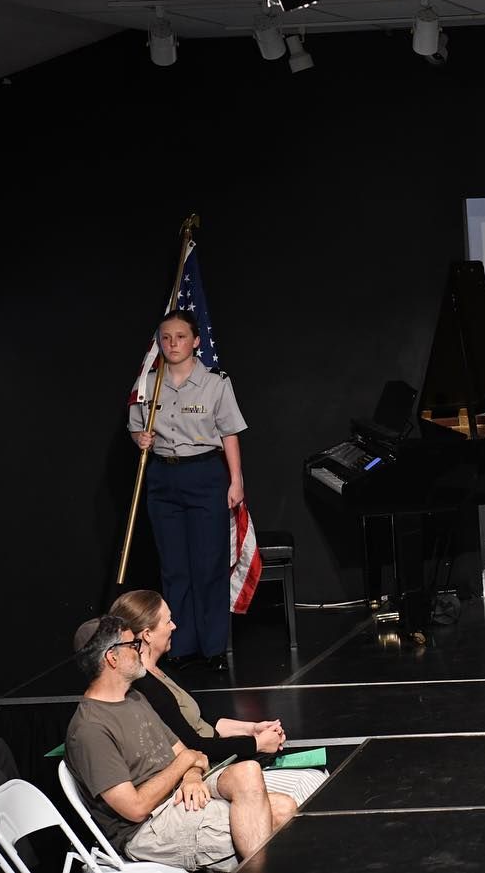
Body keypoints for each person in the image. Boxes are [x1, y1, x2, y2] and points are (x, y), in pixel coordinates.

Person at [65, 616, 293, 871]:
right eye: (133, 645)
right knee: (275, 820)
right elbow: (136, 808)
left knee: (260, 783)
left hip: (178, 794)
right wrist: (184, 765)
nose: (140, 650)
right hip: (147, 827)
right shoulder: (90, 730)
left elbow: (191, 754)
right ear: (112, 658)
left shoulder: (134, 698)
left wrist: (192, 777)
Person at [110, 589, 326, 806]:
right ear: (147, 634)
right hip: (208, 768)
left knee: (318, 776)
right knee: (308, 787)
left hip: (220, 759)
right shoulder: (147, 686)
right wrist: (256, 744)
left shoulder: (162, 671)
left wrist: (252, 729)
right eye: (168, 621)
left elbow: (205, 721)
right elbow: (194, 744)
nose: (174, 626)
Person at [129, 308, 247, 672]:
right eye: (166, 338)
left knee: (208, 564)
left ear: (196, 341)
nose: (172, 344)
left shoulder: (215, 383)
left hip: (204, 475)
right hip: (164, 477)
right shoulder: (148, 383)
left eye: (180, 337)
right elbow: (135, 427)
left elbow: (229, 433)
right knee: (174, 566)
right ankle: (178, 646)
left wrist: (236, 479)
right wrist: (140, 438)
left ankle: (213, 648)